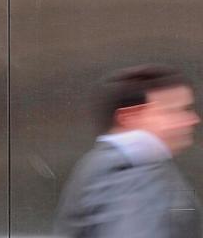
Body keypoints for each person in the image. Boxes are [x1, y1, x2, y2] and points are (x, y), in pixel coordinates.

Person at [54, 64, 200, 238]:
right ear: (129, 118)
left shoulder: (109, 162)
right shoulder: (132, 170)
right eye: (174, 111)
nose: (192, 119)